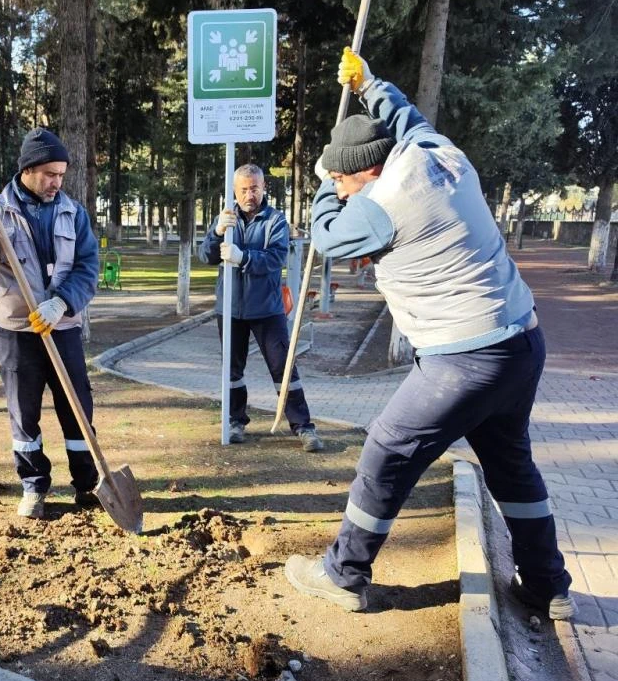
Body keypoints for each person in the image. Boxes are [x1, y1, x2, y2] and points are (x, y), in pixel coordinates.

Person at [284, 48, 575, 619]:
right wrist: (370, 85)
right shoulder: (436, 153)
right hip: (521, 343)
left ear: (366, 172)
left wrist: (321, 183)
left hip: (464, 359)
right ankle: (547, 585)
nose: (340, 188)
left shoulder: (381, 205)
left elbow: (325, 237)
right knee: (511, 463)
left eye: (343, 180)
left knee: (388, 448)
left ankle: (342, 574)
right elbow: (406, 119)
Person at [0, 127, 100, 520]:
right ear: (29, 170)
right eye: (50, 174)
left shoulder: (73, 212)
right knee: (24, 411)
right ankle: (34, 486)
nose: (56, 182)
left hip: (62, 327)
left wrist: (62, 302)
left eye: (61, 175)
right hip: (19, 331)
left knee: (77, 409)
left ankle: (88, 486)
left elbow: (88, 267)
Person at [197, 164, 323, 452]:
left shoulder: (274, 220)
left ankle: (303, 426)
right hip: (230, 309)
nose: (249, 194)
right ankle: (235, 420)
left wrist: (243, 257)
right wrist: (217, 233)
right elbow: (205, 256)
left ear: (264, 187)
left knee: (283, 367)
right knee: (232, 370)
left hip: (267, 309)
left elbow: (274, 258)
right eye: (243, 189)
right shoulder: (226, 219)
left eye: (254, 188)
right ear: (234, 190)